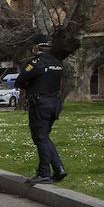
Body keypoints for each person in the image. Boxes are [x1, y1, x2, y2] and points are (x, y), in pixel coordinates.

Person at [16, 36, 67, 184]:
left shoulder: (36, 62)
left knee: (40, 137)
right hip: (54, 104)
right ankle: (59, 169)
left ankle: (44, 172)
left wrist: (29, 86)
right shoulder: (57, 63)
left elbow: (20, 81)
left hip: (40, 104)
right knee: (44, 136)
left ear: (36, 47)